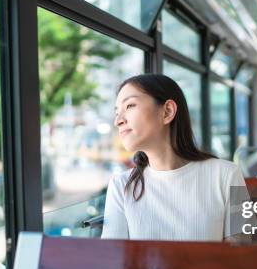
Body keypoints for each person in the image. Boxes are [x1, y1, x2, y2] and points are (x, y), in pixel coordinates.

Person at [101, 73, 249, 241]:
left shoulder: (227, 175)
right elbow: (112, 259)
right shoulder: (121, 186)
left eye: (130, 106)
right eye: (116, 112)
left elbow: (243, 257)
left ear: (167, 112)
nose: (118, 121)